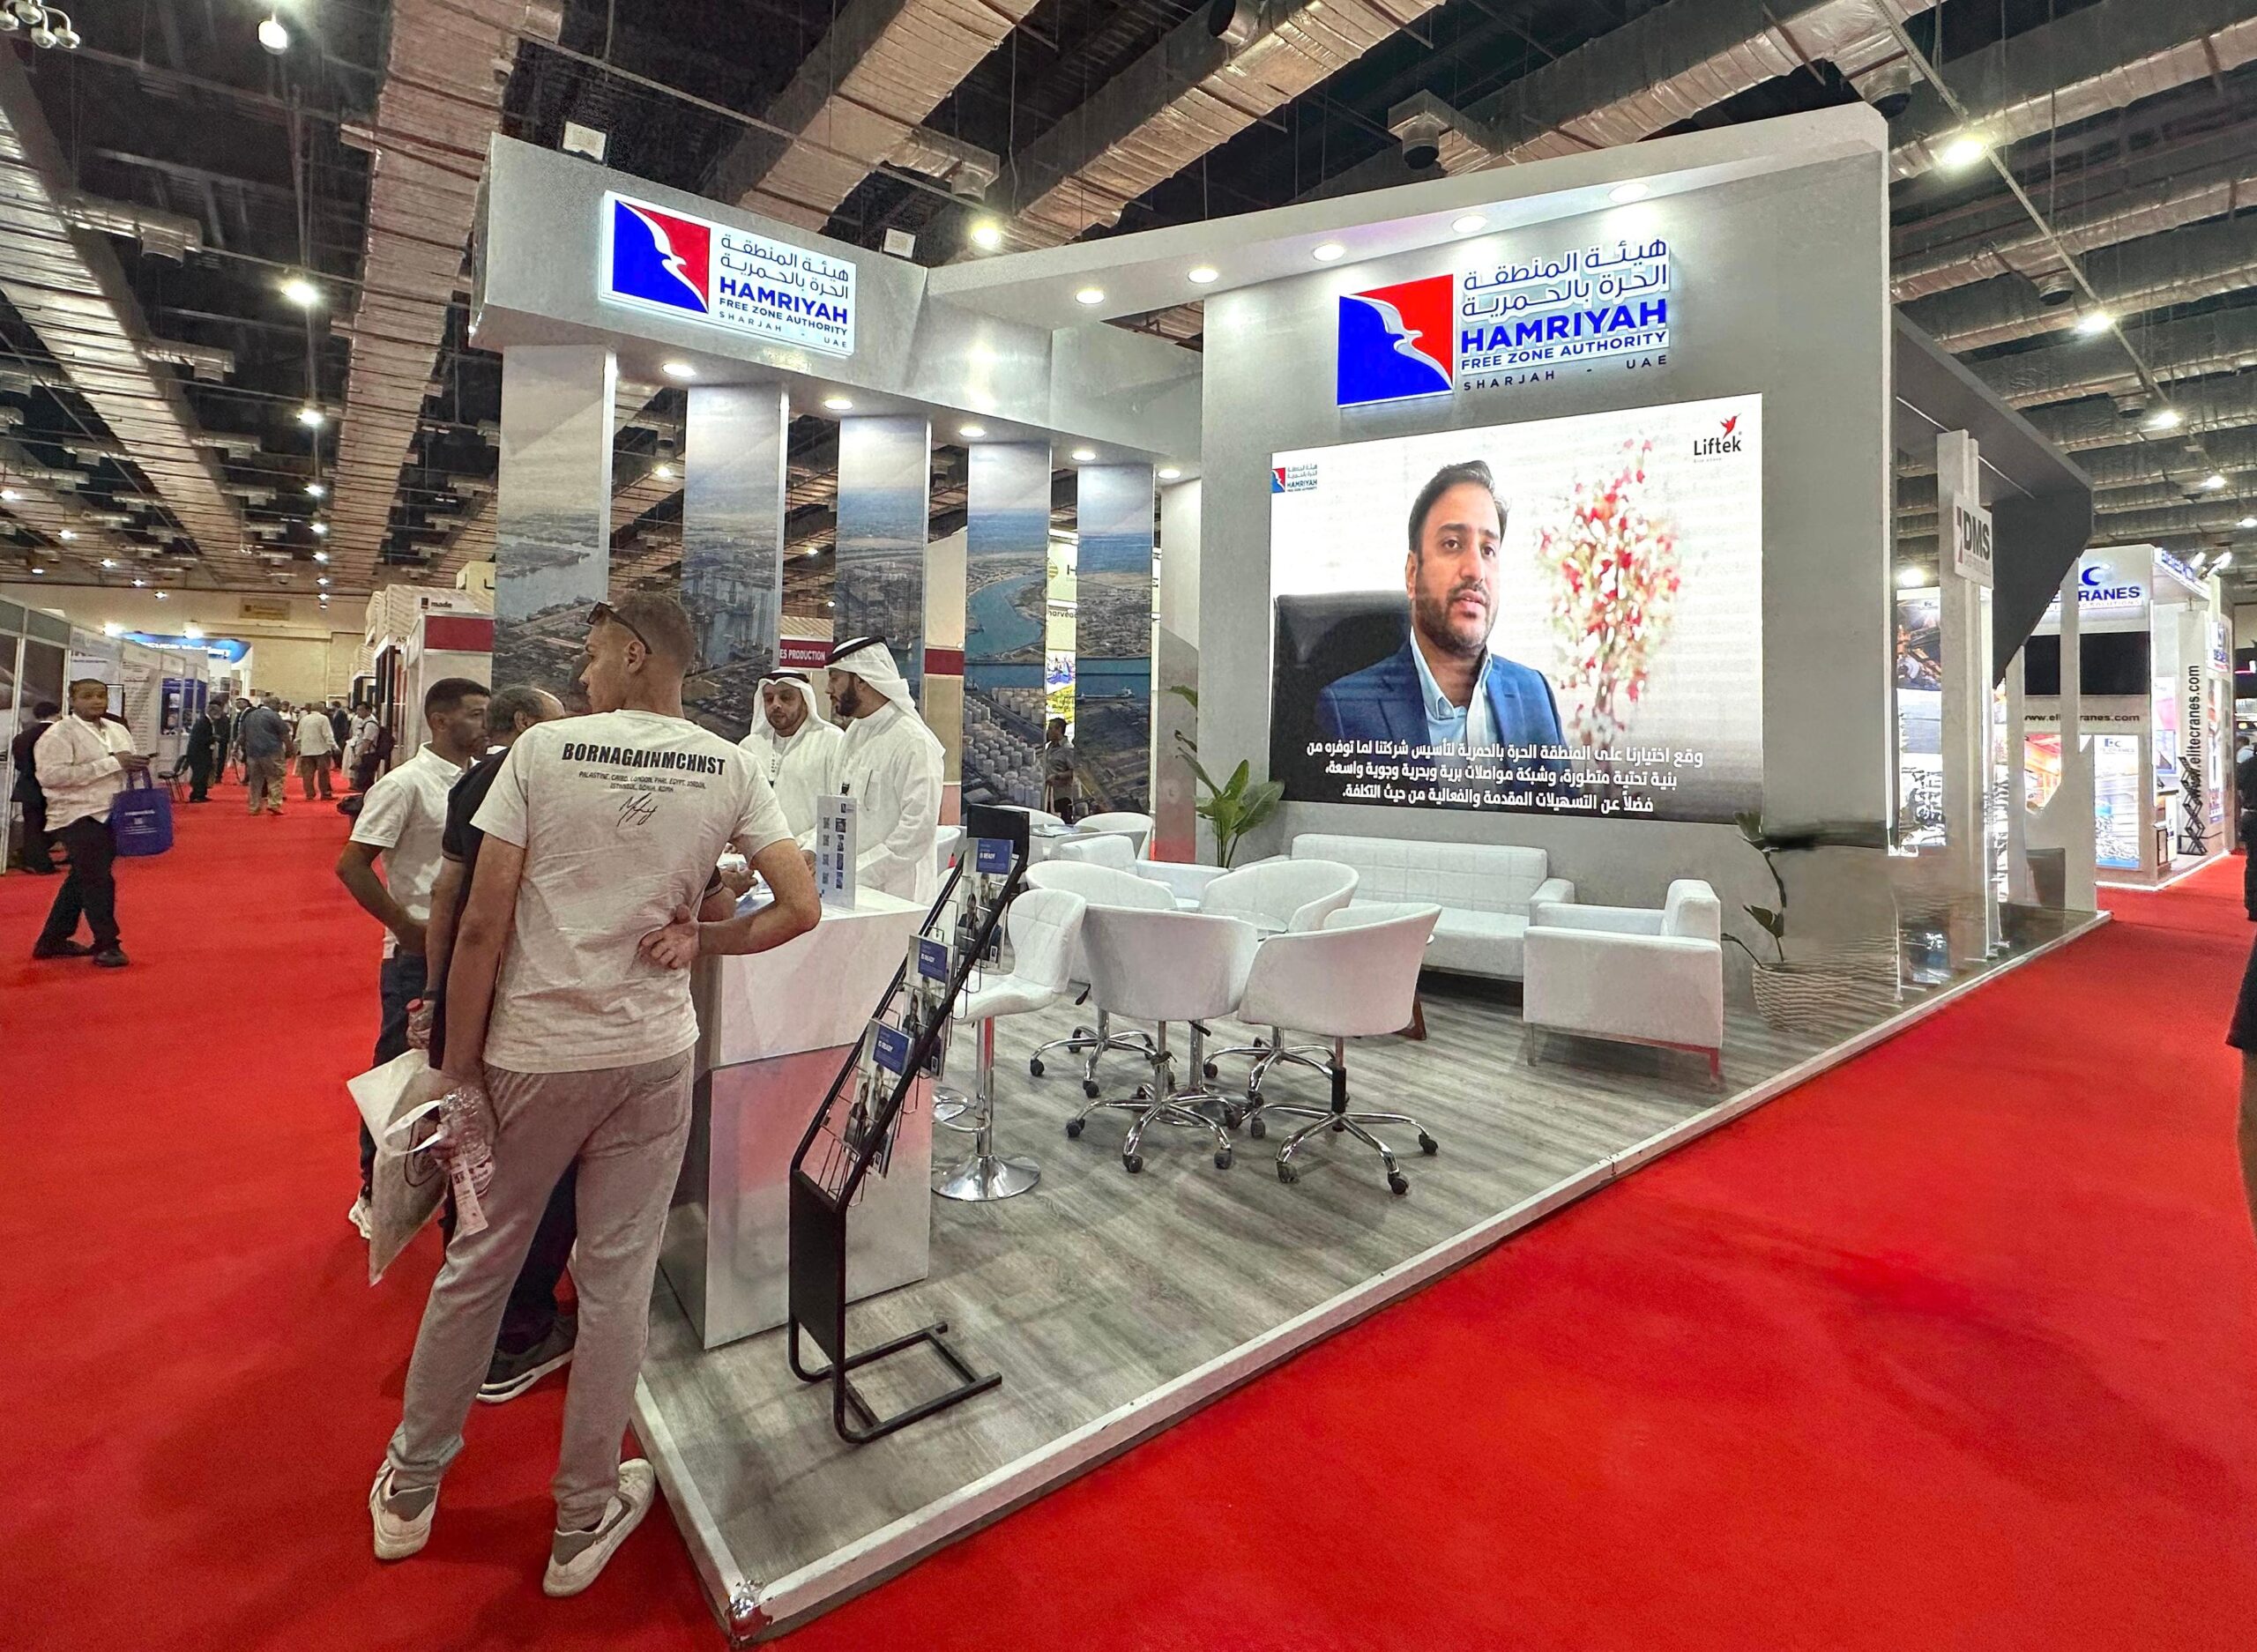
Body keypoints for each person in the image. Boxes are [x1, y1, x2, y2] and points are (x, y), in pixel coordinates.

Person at [370, 595, 817, 1597]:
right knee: (617, 1283)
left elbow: (480, 923)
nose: (580, 675)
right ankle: (580, 1519)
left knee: (481, 1260)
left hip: (534, 1053)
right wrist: (702, 938)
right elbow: (799, 907)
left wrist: (455, 1066)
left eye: (591, 656)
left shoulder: (541, 753)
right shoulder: (731, 766)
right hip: (653, 1056)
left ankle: (411, 1486)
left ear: (635, 654)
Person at [414, 683, 586, 1404]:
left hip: (472, 997)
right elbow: (482, 916)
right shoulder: (553, 780)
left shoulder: (474, 781)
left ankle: (472, 1310)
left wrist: (437, 995)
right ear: (527, 725)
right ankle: (515, 1335)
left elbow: (447, 900)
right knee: (537, 1177)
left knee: (473, 1156)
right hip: (528, 1006)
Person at [336, 677, 489, 1234]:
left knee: (459, 1074)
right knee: (401, 1072)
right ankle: (375, 1191)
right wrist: (405, 926)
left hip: (469, 950)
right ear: (440, 720)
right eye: (475, 714)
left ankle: (446, 1185)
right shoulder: (405, 785)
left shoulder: (483, 778)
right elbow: (352, 865)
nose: (485, 724)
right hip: (417, 956)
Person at [1315, 459, 1565, 751]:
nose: (1475, 571)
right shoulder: (1346, 713)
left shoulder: (1534, 695)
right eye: (1452, 544)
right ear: (1412, 574)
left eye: (1488, 550)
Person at [818, 635, 944, 904]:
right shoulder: (854, 733)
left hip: (898, 895)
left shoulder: (913, 742)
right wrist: (813, 853)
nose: (828, 689)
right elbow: (839, 807)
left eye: (835, 678)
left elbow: (916, 832)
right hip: (846, 888)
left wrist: (855, 872)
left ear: (861, 681)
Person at [31, 679, 148, 967]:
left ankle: (52, 939)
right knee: (98, 879)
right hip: (76, 814)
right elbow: (50, 777)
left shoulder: (117, 730)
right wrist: (112, 763)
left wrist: (135, 766)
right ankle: (107, 944)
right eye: (87, 696)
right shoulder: (58, 734)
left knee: (82, 877)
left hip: (113, 812)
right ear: (72, 700)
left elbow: (124, 767)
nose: (96, 701)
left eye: (100, 696)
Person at [739, 669, 842, 838]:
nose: (776, 705)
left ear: (805, 702)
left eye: (786, 698)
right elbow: (740, 807)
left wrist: (804, 846)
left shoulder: (832, 741)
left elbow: (838, 808)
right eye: (769, 699)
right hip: (758, 848)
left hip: (811, 848)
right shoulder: (750, 746)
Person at [11, 700, 61, 873]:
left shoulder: (22, 737)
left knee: (32, 826)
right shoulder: (59, 736)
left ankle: (35, 861)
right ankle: (34, 858)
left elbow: (19, 764)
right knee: (58, 824)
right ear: (57, 714)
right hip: (54, 786)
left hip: (29, 787)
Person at [240, 694, 290, 815]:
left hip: (253, 753)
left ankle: (254, 807)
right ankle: (274, 804)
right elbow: (284, 734)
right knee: (276, 778)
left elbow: (242, 735)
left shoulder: (250, 715)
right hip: (272, 751)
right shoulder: (274, 716)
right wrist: (290, 749)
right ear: (271, 704)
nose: (279, 706)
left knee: (255, 781)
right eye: (277, 704)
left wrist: (241, 749)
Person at [184, 697, 229, 804]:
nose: (220, 714)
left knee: (204, 773)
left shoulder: (208, 722)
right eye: (218, 712)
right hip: (198, 753)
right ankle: (196, 795)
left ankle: (201, 794)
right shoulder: (203, 723)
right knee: (199, 774)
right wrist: (213, 738)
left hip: (204, 752)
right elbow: (200, 739)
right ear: (211, 711)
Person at [295, 701, 339, 800]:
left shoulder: (304, 719)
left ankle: (309, 794)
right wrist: (335, 747)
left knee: (307, 774)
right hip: (321, 750)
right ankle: (325, 793)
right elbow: (327, 734)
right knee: (323, 773)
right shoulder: (323, 719)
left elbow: (298, 736)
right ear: (322, 709)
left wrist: (298, 749)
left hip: (306, 750)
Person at [1041, 717, 1079, 822]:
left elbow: (1074, 771)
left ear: (1059, 730)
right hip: (1050, 794)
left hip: (1062, 796)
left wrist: (1057, 776)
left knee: (1062, 823)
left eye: (1050, 728)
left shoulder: (1068, 749)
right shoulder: (1051, 746)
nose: (1048, 731)